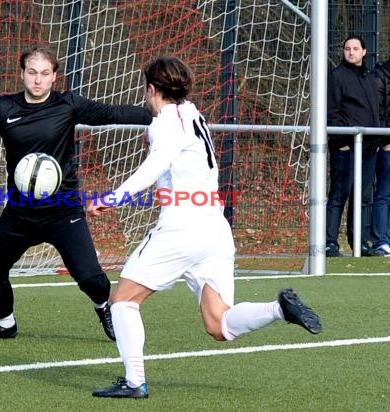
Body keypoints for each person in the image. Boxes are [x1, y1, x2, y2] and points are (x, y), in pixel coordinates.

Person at [89, 56, 322, 399]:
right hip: (214, 228)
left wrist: (112, 197)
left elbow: (156, 165)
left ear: (150, 89)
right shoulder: (194, 114)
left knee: (122, 301)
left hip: (182, 227)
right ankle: (279, 309)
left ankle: (135, 381)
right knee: (218, 324)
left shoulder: (164, 123)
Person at [0, 45, 152, 341]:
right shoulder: (3, 108)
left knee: (90, 278)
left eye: (45, 74)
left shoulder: (68, 105)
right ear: (22, 74)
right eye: (32, 72)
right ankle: (6, 324)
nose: (38, 80)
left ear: (54, 77)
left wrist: (161, 114)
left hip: (63, 211)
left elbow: (113, 113)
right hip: (19, 214)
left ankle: (104, 308)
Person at [326, 35, 380, 257]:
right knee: (339, 195)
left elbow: (375, 111)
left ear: (364, 52)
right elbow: (332, 112)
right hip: (346, 149)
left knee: (363, 197)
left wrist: (376, 141)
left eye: (355, 48)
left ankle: (359, 242)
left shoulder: (369, 77)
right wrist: (343, 141)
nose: (351, 52)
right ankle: (329, 243)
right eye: (347, 48)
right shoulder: (337, 76)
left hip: (368, 149)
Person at [371, 58, 390, 255]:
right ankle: (381, 241)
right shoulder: (380, 76)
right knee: (384, 194)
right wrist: (385, 139)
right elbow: (379, 112)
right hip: (387, 145)